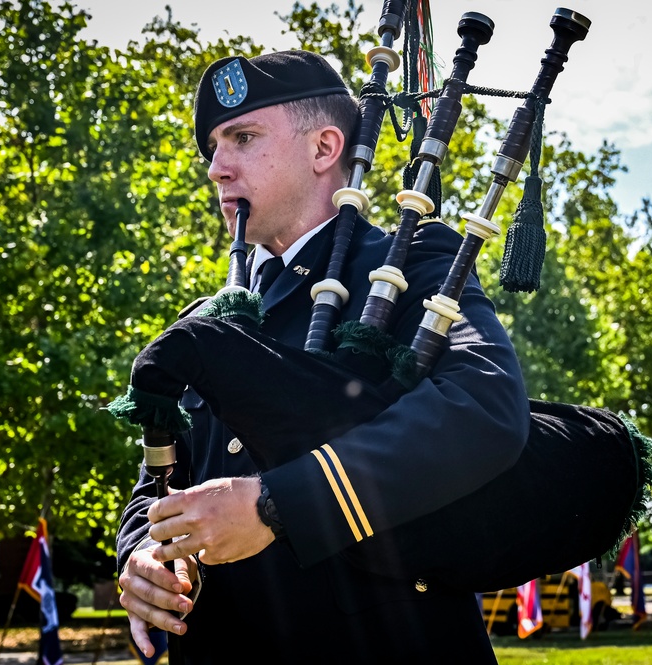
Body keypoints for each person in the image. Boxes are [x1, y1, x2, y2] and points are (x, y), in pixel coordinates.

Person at [115, 50, 529, 663]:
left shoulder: (409, 264)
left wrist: (276, 506)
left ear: (324, 147)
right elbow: (158, 480)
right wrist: (142, 554)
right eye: (212, 148)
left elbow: (484, 406)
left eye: (243, 137)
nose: (217, 168)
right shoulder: (204, 320)